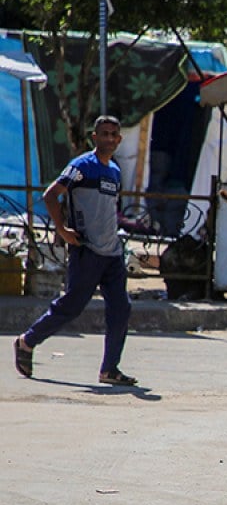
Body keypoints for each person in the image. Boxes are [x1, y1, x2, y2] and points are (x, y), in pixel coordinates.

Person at [14, 116, 135, 386]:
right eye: (103, 134)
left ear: (119, 139)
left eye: (113, 134)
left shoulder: (114, 171)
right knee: (71, 307)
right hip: (87, 251)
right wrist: (63, 230)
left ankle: (110, 369)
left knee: (121, 308)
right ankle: (27, 341)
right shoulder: (81, 166)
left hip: (112, 254)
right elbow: (50, 195)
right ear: (94, 137)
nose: (108, 139)